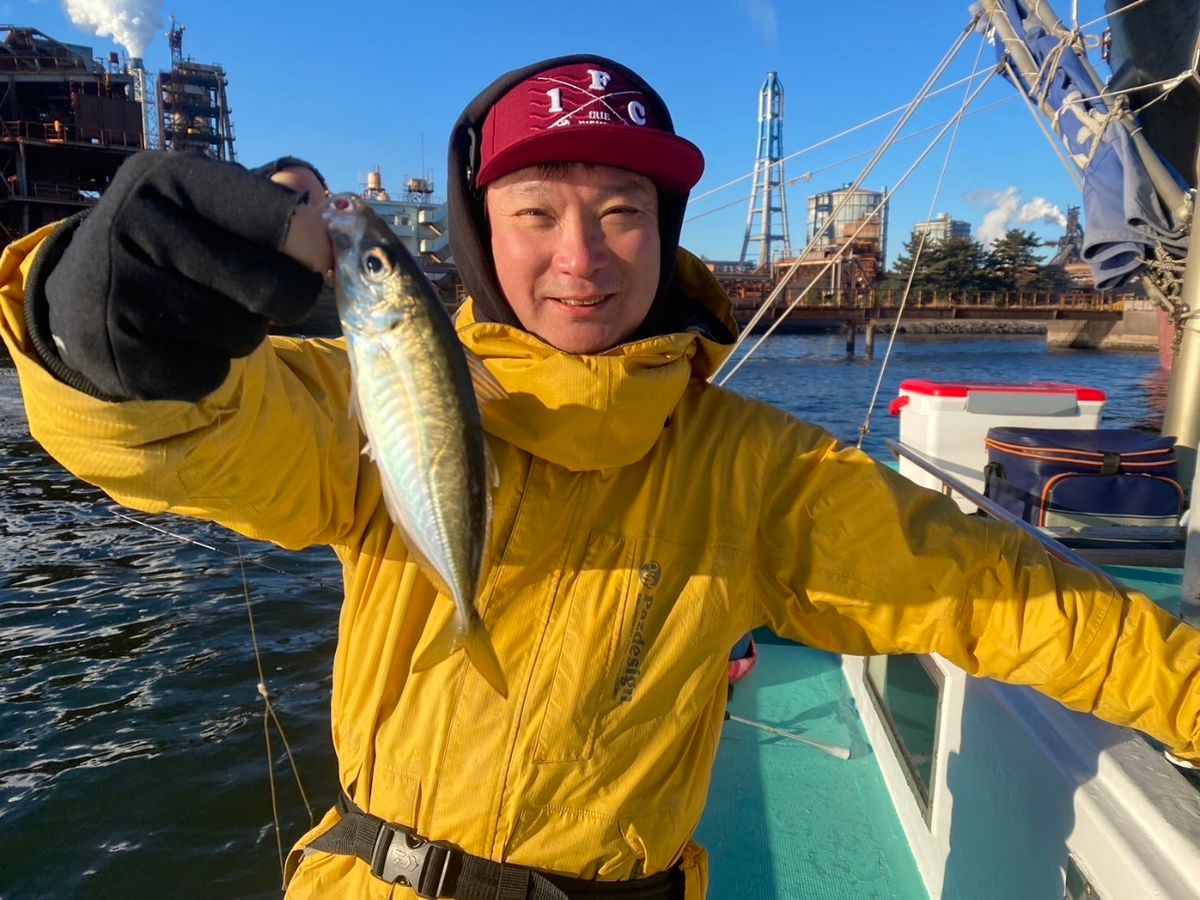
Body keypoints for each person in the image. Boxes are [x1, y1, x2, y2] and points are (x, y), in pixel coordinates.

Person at [0, 53, 1198, 900]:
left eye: (622, 211)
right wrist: (94, 330)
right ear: (479, 231)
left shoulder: (759, 472)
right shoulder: (358, 393)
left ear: (665, 231)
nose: (581, 257)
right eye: (535, 211)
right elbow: (176, 433)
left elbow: (1007, 596)